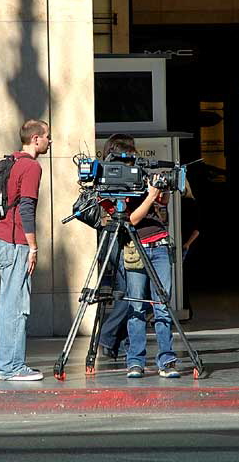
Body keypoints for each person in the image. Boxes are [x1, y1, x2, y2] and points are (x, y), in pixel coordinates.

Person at [0, 119, 51, 381]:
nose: (50, 141)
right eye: (48, 136)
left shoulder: (10, 161)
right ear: (35, 139)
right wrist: (33, 246)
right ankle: (11, 366)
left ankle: (9, 363)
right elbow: (26, 208)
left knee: (9, 301)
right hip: (15, 242)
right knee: (16, 305)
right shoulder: (31, 166)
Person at [124, 138, 180, 379]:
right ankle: (135, 361)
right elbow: (131, 220)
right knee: (136, 306)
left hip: (159, 246)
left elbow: (163, 202)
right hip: (136, 250)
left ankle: (166, 360)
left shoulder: (144, 176)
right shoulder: (116, 184)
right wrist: (149, 196)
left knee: (162, 306)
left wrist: (161, 189)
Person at [98, 134, 137, 359]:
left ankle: (118, 343)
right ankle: (108, 336)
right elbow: (103, 205)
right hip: (114, 235)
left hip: (123, 235)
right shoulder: (106, 176)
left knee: (129, 290)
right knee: (131, 291)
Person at [181, 180, 200, 321]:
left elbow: (197, 229)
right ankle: (186, 309)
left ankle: (186, 309)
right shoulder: (182, 203)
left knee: (183, 278)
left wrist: (187, 244)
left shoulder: (190, 204)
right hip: (184, 244)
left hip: (186, 244)